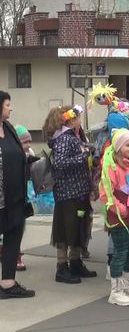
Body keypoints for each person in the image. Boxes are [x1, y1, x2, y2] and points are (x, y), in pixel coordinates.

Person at [43, 105, 97, 284]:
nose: (81, 121)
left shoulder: (73, 136)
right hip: (68, 193)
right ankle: (62, 266)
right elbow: (60, 163)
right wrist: (84, 155)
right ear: (71, 120)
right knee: (66, 229)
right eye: (79, 118)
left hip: (78, 192)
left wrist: (88, 149)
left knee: (77, 227)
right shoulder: (65, 139)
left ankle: (75, 261)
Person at [100, 129, 129, 306]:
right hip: (119, 216)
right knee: (121, 251)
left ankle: (125, 283)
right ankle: (115, 291)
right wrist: (120, 209)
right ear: (119, 147)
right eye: (128, 145)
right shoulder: (111, 167)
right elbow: (106, 193)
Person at [0, 91, 35, 299]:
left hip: (14, 197)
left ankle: (7, 283)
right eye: (7, 105)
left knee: (14, 237)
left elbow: (17, 154)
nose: (10, 108)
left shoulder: (9, 128)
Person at [14, 125, 39, 271]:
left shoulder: (29, 153)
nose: (28, 145)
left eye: (29, 142)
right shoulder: (11, 155)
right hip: (12, 197)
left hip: (25, 196)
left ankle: (15, 252)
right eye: (25, 142)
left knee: (20, 227)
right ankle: (13, 254)